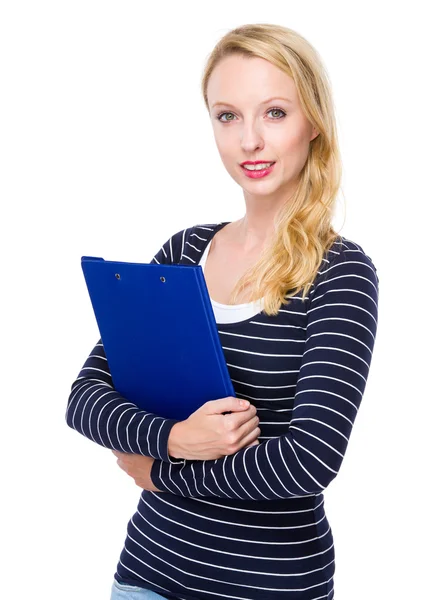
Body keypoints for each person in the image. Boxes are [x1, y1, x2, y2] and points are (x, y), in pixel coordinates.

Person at [66, 23, 379, 600]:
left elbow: (307, 462)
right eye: (228, 116)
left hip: (269, 587)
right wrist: (178, 438)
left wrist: (159, 470)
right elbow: (85, 399)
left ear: (313, 121)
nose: (249, 141)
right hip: (148, 576)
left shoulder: (340, 272)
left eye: (275, 113)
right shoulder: (183, 254)